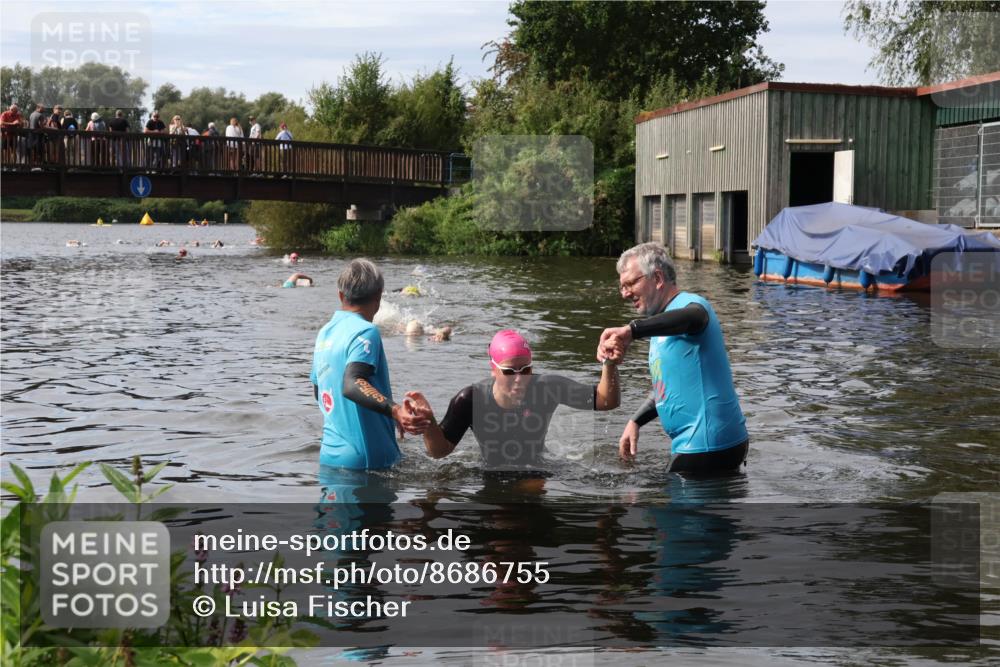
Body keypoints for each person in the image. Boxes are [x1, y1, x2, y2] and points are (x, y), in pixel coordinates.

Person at [598, 242, 748, 474]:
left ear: (657, 278)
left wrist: (632, 330)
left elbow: (694, 318)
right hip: (701, 445)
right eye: (622, 287)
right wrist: (636, 421)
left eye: (630, 284)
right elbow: (669, 385)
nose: (625, 293)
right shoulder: (662, 324)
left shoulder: (692, 306)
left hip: (706, 447)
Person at [410, 329, 621, 474]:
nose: (520, 380)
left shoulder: (548, 387)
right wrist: (428, 424)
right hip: (490, 474)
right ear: (493, 369)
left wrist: (609, 363)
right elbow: (439, 452)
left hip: (538, 470)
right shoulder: (470, 399)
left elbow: (606, 401)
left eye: (526, 370)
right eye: (510, 372)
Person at [310, 258, 430, 470]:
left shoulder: (324, 332)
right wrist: (394, 410)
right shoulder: (366, 331)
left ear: (340, 295)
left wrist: (387, 416)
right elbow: (352, 383)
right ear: (379, 297)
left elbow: (320, 391)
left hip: (329, 458)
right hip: (368, 459)